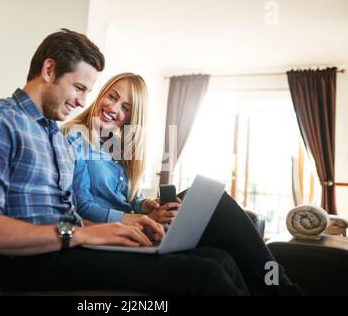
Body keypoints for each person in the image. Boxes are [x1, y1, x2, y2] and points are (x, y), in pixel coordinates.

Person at [0, 28, 276, 295]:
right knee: (205, 275)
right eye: (79, 87)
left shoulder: (54, 137)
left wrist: (114, 228)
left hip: (71, 247)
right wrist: (82, 234)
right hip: (35, 261)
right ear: (49, 70)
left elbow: (70, 214)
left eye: (88, 91)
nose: (82, 101)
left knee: (218, 259)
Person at [62, 72, 303, 295]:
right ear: (101, 93)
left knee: (223, 254)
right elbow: (83, 205)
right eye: (112, 96)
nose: (113, 108)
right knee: (217, 208)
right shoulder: (76, 135)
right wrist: (142, 219)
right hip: (119, 233)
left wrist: (145, 205)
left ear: (131, 119)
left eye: (125, 107)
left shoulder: (115, 145)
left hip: (138, 226)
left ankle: (277, 286)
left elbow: (124, 199)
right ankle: (283, 288)